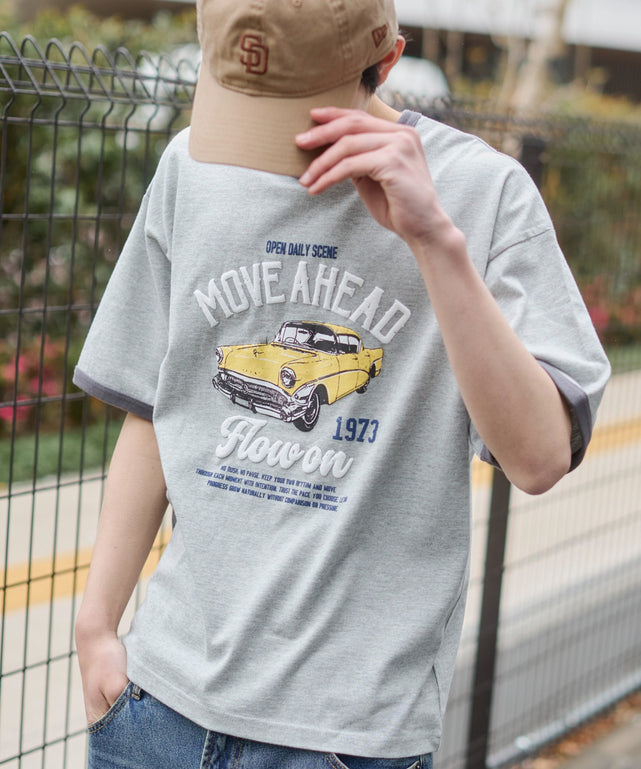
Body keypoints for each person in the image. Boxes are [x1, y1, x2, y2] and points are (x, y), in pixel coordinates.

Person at [73, 1, 610, 768]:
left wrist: (433, 240)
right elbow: (156, 402)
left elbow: (539, 456)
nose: (262, 143)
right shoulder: (194, 163)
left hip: (342, 739)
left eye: (292, 107)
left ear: (386, 62)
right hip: (154, 706)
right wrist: (96, 624)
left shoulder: (482, 193)